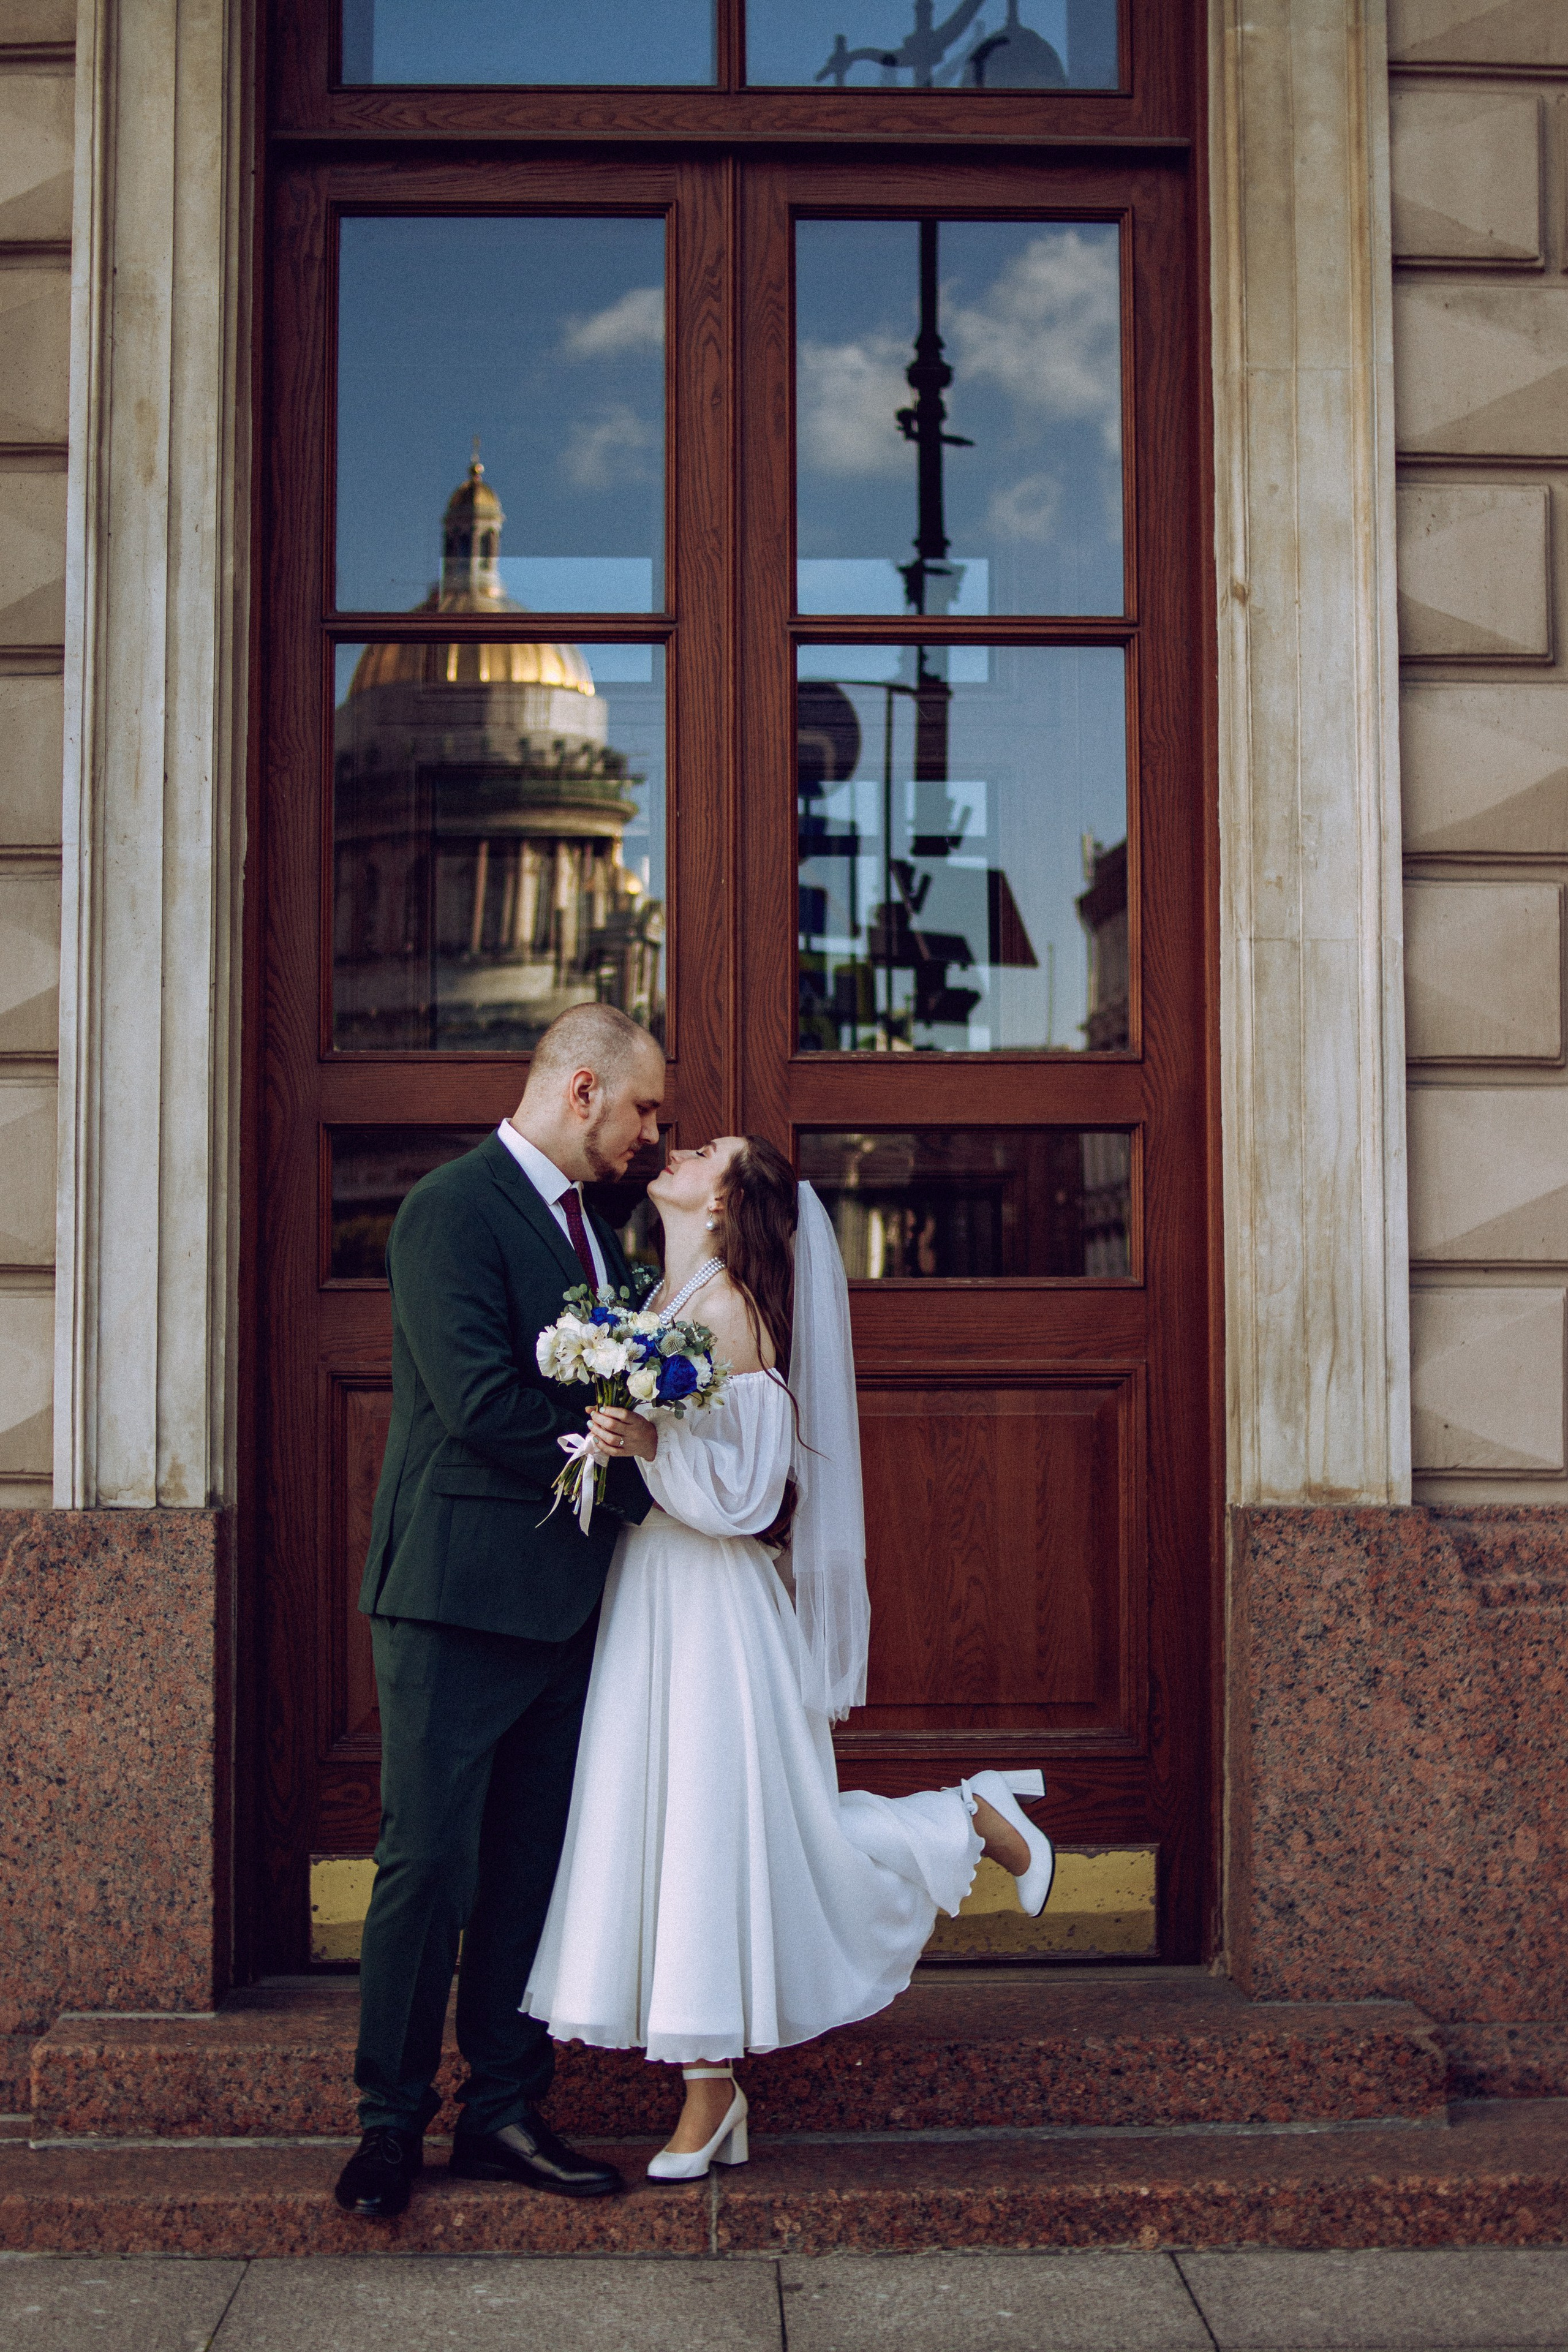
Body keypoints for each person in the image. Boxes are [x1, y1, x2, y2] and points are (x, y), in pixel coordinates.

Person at [523, 1135, 1055, 2177]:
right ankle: (712, 2096)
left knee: (744, 1835)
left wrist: (648, 1447)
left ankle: (969, 1816)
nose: (675, 1149)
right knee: (683, 1838)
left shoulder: (735, 1316)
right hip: (652, 1597)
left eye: (703, 1151)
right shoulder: (663, 1307)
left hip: (713, 1611)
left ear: (722, 1202)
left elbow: (750, 1499)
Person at [334, 1002, 668, 2221]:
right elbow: (477, 1399)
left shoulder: (597, 1232)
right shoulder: (449, 1209)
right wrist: (635, 1479)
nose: (648, 1134)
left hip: (565, 1607)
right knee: (426, 1865)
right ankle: (388, 2127)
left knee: (529, 1867)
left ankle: (503, 2112)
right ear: (580, 1091)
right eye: (640, 1109)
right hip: (453, 1601)